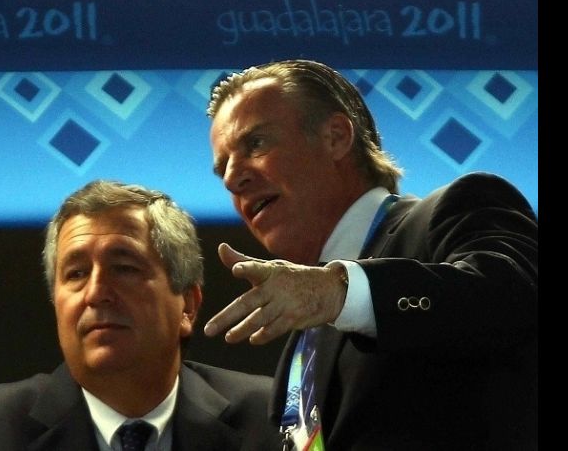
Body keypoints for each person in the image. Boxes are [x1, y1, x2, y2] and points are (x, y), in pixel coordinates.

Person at [203, 59, 538, 450]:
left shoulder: (454, 209)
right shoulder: (301, 342)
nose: (232, 178)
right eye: (223, 168)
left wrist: (341, 290)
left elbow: (515, 299)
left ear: (336, 137)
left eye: (256, 144)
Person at [0, 180, 282, 451]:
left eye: (124, 268)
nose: (96, 293)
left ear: (187, 306)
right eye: (76, 274)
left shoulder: (273, 421)